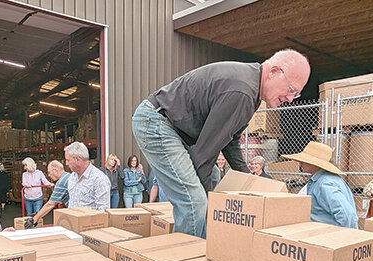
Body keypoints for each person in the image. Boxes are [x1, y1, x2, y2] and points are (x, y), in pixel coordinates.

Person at [132, 49, 310, 237]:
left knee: (214, 178)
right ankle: (187, 259)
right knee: (194, 202)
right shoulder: (242, 91)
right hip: (156, 121)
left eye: (296, 95)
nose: (290, 99)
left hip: (175, 128)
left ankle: (207, 241)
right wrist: (210, 203)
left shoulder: (252, 92)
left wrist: (250, 180)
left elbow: (230, 141)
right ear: (273, 72)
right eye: (291, 90)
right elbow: (202, 156)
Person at [283, 141, 357, 229]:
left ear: (315, 163)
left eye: (305, 160)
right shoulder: (321, 180)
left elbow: (347, 215)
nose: (300, 162)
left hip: (327, 237)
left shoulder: (325, 183)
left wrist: (345, 237)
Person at [65, 141, 110, 211]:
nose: (66, 164)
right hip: (72, 221)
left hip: (90, 222)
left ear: (77, 159)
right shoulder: (72, 177)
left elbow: (103, 211)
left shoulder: (99, 179)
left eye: (68, 160)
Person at [32, 160, 71, 225]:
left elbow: (50, 204)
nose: (49, 175)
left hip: (76, 211)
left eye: (49, 172)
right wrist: (39, 214)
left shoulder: (61, 182)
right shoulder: (68, 175)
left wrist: (34, 219)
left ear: (55, 171)